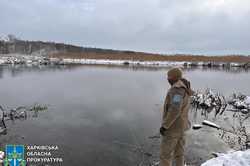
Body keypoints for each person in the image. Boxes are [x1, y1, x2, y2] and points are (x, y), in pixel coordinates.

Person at [160, 67, 193, 166]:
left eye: (169, 77)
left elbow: (175, 110)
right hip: (182, 127)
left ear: (174, 77)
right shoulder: (185, 87)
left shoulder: (177, 90)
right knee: (179, 154)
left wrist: (165, 126)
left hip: (173, 128)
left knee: (165, 155)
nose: (167, 79)